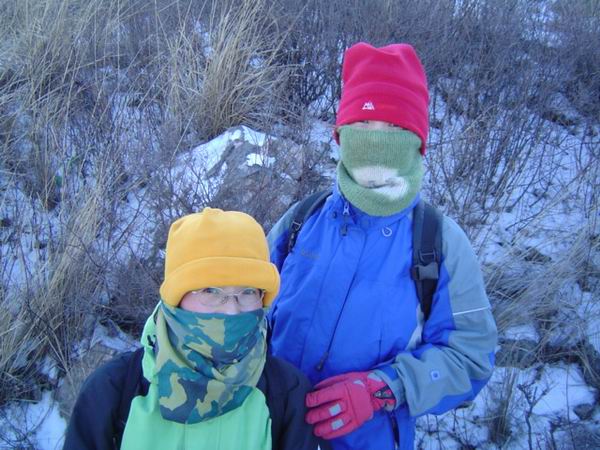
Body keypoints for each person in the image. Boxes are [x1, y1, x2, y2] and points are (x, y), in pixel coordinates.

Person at [267, 42, 498, 449]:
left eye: (392, 128)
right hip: (270, 431)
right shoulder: (302, 220)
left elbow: (470, 356)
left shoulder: (440, 244)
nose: (375, 141)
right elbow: (248, 311)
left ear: (417, 141)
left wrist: (385, 388)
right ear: (340, 134)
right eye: (363, 124)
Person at [64, 208, 319, 450]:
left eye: (248, 292)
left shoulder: (288, 394)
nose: (232, 311)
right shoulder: (112, 391)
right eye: (211, 291)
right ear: (176, 299)